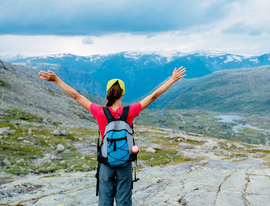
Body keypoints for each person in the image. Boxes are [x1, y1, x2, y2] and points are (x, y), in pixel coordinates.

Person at [38, 66, 186, 206]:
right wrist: (172, 80)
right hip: (125, 163)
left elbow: (76, 96)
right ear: (123, 94)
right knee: (124, 201)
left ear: (107, 93)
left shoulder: (99, 111)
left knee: (105, 201)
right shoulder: (130, 111)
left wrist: (56, 79)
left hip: (106, 163)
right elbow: (153, 96)